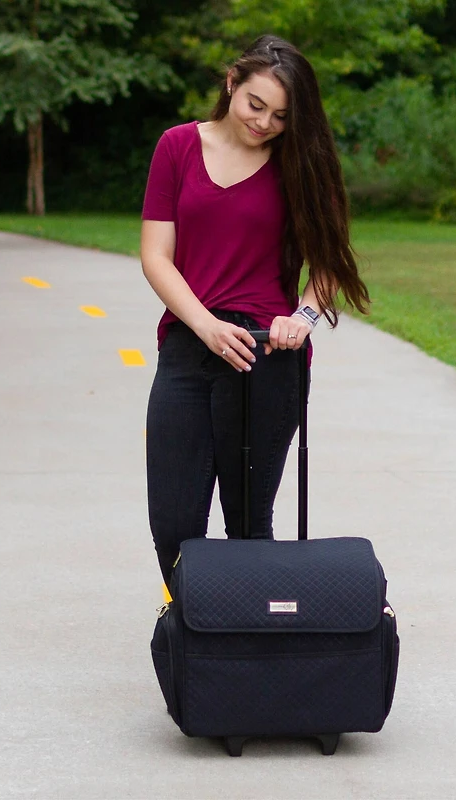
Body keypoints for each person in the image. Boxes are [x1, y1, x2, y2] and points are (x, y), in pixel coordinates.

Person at [141, 34, 369, 583]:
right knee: (173, 522)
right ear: (231, 84)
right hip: (190, 345)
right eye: (255, 104)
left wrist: (305, 317)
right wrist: (206, 326)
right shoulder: (177, 147)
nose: (264, 123)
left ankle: (243, 652)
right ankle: (194, 635)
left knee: (249, 524)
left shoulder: (300, 165)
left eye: (281, 116)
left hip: (269, 355)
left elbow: (329, 265)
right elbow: (156, 256)